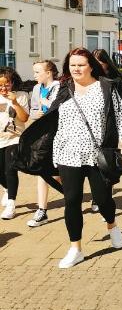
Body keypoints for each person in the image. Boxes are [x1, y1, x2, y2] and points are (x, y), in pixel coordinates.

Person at [19, 48, 122, 268]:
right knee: (71, 201)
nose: (77, 69)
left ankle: (112, 224)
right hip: (67, 154)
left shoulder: (106, 87)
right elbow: (52, 119)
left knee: (102, 199)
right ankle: (75, 249)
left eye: (81, 64)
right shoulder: (63, 88)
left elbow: (121, 118)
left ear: (91, 65)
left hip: (96, 154)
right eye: (73, 65)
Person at [26, 60, 61, 227]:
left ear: (49, 73)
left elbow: (59, 109)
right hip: (42, 135)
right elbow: (32, 110)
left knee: (59, 173)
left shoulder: (60, 87)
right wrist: (36, 114)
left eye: (37, 72)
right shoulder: (36, 88)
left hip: (59, 134)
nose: (34, 76)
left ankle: (73, 191)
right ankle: (42, 210)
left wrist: (47, 106)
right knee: (42, 171)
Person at [0, 68, 30, 220]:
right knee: (1, 171)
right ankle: (6, 188)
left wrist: (14, 102)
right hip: (0, 139)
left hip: (15, 138)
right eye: (0, 85)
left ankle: (11, 204)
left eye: (7, 84)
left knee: (10, 168)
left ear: (13, 83)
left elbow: (24, 118)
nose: (4, 88)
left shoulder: (21, 96)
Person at [93, 49, 122, 117]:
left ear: (106, 63)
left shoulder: (115, 78)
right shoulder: (91, 77)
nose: (96, 67)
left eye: (100, 64)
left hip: (111, 116)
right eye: (94, 64)